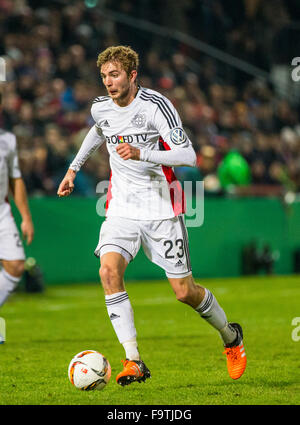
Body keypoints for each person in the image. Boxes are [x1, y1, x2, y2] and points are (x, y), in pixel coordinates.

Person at [57, 46, 247, 385]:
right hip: (122, 208)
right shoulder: (101, 107)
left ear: (132, 76)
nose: (108, 83)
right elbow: (99, 130)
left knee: (184, 291)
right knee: (108, 271)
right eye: (103, 76)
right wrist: (73, 169)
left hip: (162, 207)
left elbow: (188, 155)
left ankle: (231, 337)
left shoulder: (156, 105)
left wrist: (142, 151)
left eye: (114, 75)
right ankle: (134, 361)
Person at [0, 91, 34, 343]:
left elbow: (16, 180)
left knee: (16, 264)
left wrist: (25, 217)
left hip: (2, 211)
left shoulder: (7, 140)